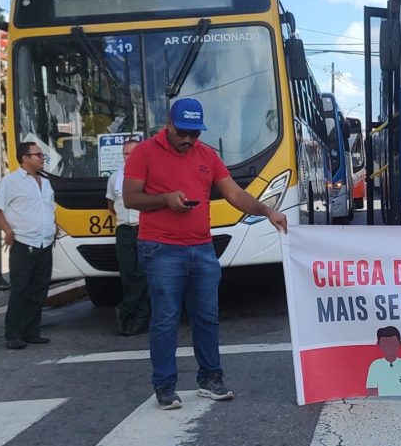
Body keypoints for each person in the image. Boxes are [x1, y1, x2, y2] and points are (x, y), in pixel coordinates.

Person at [123, 98, 288, 410]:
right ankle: (165, 386)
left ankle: (211, 378)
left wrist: (267, 211)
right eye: (182, 133)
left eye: (194, 134)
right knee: (166, 319)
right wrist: (165, 200)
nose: (188, 140)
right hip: (161, 248)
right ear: (168, 125)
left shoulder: (207, 155)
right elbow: (130, 198)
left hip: (201, 247)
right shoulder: (144, 152)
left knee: (207, 317)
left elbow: (235, 193)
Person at [0, 141, 56, 350]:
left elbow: (48, 209)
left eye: (42, 155)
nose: (41, 158)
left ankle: (31, 332)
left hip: (45, 242)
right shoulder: (11, 181)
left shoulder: (45, 182)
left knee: (39, 289)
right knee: (20, 289)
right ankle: (13, 334)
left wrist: (54, 227)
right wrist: (7, 231)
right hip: (24, 242)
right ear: (24, 158)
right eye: (37, 155)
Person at [106, 138, 150, 336]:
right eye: (126, 153)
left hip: (145, 229)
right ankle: (130, 321)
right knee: (128, 275)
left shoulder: (150, 175)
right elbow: (111, 205)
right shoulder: (115, 178)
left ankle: (128, 311)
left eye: (134, 153)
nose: (129, 157)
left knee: (145, 274)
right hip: (124, 230)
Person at [365, 326, 401, 396]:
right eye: (386, 343)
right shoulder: (375, 366)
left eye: (392, 343)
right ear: (379, 344)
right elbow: (371, 392)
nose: (389, 347)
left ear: (400, 344)